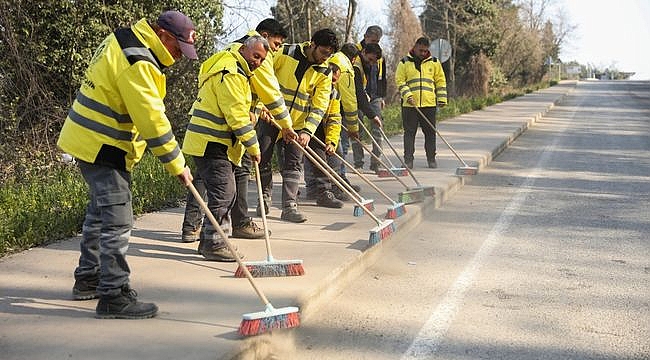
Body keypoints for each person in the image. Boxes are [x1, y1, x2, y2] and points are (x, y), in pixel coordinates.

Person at [57, 11, 197, 319]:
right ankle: (113, 294)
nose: (178, 56)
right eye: (178, 48)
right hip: (104, 144)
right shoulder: (140, 62)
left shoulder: (124, 39)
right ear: (163, 35)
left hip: (90, 138)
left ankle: (88, 278)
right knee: (118, 220)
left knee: (100, 213)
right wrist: (177, 164)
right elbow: (152, 120)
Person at [180, 19, 295, 242]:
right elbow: (265, 95)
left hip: (223, 136)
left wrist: (258, 109)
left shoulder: (234, 55)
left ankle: (195, 228)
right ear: (263, 36)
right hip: (218, 136)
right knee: (224, 189)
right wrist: (285, 127)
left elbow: (252, 95)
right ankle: (215, 239)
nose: (274, 51)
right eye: (276, 44)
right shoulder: (239, 65)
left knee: (212, 181)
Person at [182, 36, 269, 261]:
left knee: (221, 192)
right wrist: (253, 145)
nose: (257, 62)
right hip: (212, 141)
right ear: (243, 49)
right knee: (224, 192)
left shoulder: (236, 71)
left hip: (211, 141)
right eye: (255, 56)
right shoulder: (231, 73)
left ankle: (208, 241)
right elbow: (236, 115)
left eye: (262, 59)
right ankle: (215, 244)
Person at [256, 28, 338, 223]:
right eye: (323, 52)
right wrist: (260, 106)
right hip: (272, 118)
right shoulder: (284, 52)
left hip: (298, 124)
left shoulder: (325, 71)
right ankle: (264, 198)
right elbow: (261, 77)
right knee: (263, 158)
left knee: (294, 164)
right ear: (312, 45)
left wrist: (308, 131)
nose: (325, 58)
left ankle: (289, 206)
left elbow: (319, 106)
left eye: (329, 55)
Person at [396, 36, 448, 169]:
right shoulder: (404, 62)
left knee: (430, 133)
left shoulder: (435, 62)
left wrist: (442, 98)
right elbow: (400, 81)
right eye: (420, 50)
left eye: (425, 51)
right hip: (410, 105)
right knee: (409, 133)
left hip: (429, 104)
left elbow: (440, 81)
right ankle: (408, 160)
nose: (423, 53)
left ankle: (431, 159)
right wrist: (407, 95)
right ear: (415, 47)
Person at [303, 62, 345, 208]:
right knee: (294, 161)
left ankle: (324, 192)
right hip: (300, 124)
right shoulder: (310, 86)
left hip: (319, 127)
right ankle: (307, 190)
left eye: (334, 80)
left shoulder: (334, 94)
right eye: (329, 78)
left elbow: (334, 118)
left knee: (322, 159)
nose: (331, 83)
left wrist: (332, 141)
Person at [351, 26, 387, 172]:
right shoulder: (355, 53)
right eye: (373, 40)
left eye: (378, 41)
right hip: (358, 96)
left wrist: (382, 96)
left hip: (375, 96)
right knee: (357, 129)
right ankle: (358, 163)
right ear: (365, 37)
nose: (376, 43)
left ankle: (376, 163)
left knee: (377, 129)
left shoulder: (380, 55)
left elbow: (382, 77)